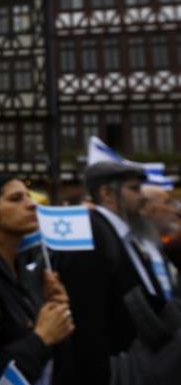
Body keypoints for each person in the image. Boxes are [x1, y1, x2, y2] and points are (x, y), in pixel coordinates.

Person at [51, 161, 165, 385]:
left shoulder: (120, 234)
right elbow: (85, 317)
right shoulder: (91, 232)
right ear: (106, 193)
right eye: (133, 189)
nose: (141, 197)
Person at [0, 175, 74, 384]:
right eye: (16, 199)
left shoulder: (22, 275)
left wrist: (55, 309)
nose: (31, 205)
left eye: (29, 197)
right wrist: (41, 338)